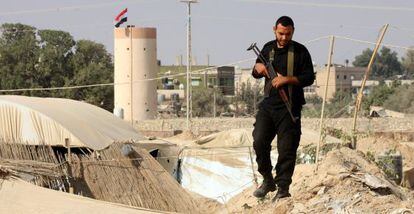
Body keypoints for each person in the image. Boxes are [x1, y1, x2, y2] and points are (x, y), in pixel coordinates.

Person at [251, 16, 315, 200]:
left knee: (287, 149)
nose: (284, 38)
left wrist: (286, 79)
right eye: (281, 33)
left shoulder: (301, 52)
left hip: (290, 108)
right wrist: (259, 68)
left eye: (288, 34)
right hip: (269, 106)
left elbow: (309, 77)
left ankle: (283, 188)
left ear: (293, 31)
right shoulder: (268, 48)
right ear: (274, 30)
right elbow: (255, 71)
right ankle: (267, 179)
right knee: (259, 141)